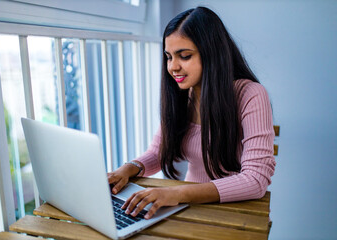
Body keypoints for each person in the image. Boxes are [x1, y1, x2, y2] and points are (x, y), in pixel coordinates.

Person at [108, 6, 276, 220]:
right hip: (187, 207)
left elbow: (255, 180)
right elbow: (158, 152)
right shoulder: (182, 95)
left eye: (184, 56)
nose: (172, 67)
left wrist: (176, 193)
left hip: (233, 211)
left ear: (212, 54)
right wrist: (128, 169)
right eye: (168, 57)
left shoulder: (250, 95)